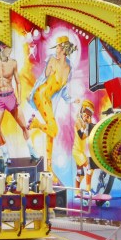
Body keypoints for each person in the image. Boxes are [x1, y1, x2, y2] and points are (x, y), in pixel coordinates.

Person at [27, 35, 77, 181]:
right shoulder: (52, 60)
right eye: (56, 47)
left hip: (48, 100)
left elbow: (63, 89)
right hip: (41, 95)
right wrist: (31, 94)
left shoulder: (69, 67)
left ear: (65, 49)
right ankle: (36, 123)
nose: (57, 50)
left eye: (60, 47)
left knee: (50, 133)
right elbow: (43, 78)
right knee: (54, 130)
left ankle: (49, 169)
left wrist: (72, 99)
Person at [0, 42, 38, 164]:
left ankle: (32, 150)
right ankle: (5, 153)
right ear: (2, 48)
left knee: (23, 125)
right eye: (9, 49)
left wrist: (19, 96)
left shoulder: (13, 63)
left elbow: (18, 82)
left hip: (10, 96)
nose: (10, 52)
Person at [73, 100, 96, 192]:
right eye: (85, 113)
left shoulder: (84, 123)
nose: (87, 116)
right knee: (90, 168)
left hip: (79, 152)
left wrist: (89, 124)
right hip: (77, 152)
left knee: (80, 173)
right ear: (81, 111)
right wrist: (89, 126)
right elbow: (82, 136)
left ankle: (76, 192)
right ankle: (88, 190)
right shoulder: (78, 122)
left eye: (89, 115)